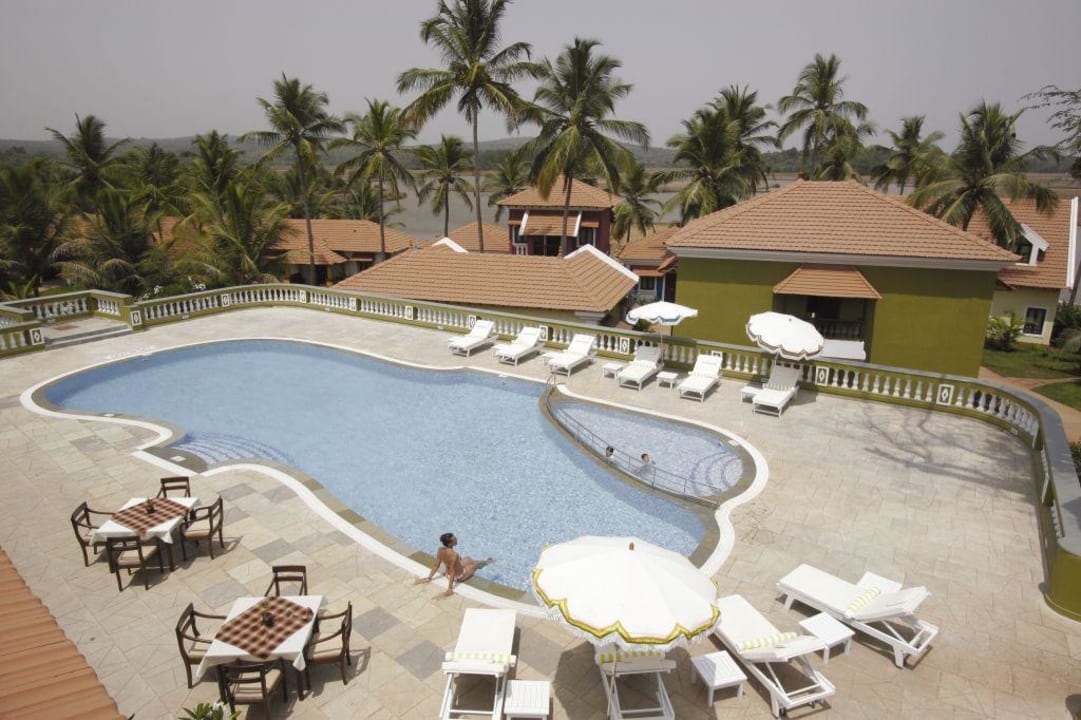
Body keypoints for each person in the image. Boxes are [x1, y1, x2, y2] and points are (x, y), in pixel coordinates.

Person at [417, 532, 492, 596]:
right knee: (475, 565)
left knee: (468, 558)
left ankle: (483, 562)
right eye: (454, 539)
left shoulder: (440, 550)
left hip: (448, 573)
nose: (456, 540)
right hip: (458, 576)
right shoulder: (454, 555)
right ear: (449, 543)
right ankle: (486, 562)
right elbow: (453, 571)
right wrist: (450, 588)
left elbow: (436, 565)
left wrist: (429, 578)